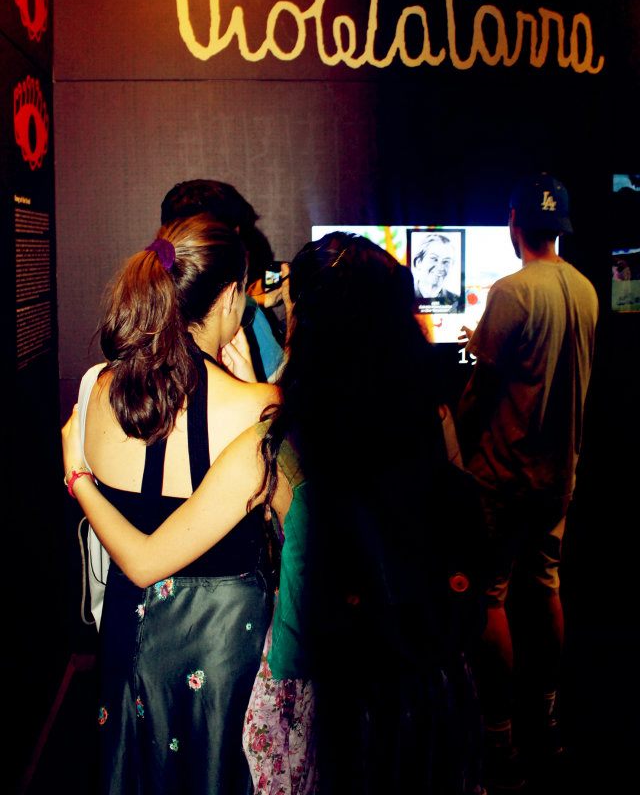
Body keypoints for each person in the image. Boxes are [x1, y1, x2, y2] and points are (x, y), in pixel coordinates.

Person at [62, 231, 489, 795]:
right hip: (426, 680)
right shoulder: (432, 420)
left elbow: (146, 561)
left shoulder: (274, 438)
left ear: (306, 326)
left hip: (325, 686)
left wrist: (78, 479)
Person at [73, 214, 279, 795]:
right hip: (219, 650)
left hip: (127, 631)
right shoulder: (257, 408)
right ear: (231, 295)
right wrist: (259, 387)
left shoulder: (99, 389)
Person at [455, 172, 598, 793]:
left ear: (514, 222)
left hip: (504, 473)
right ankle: (548, 716)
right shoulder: (586, 288)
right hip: (560, 472)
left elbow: (484, 384)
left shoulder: (512, 290)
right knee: (547, 585)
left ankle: (500, 734)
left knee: (491, 594)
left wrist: (455, 438)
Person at [161, 179, 285, 383]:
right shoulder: (248, 317)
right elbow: (284, 387)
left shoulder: (146, 313)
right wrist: (291, 308)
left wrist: (255, 299)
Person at [412, 232, 462, 312]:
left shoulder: (456, 301)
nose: (440, 267)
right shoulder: (404, 296)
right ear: (418, 262)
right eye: (434, 259)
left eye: (446, 261)